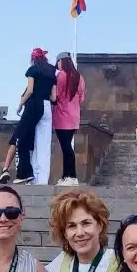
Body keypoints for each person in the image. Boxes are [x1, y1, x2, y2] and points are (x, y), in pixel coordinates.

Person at [0, 48, 57, 186]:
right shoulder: (51, 72)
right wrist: (44, 95)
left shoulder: (33, 70)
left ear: (33, 59)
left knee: (21, 137)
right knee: (37, 142)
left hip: (33, 104)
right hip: (46, 106)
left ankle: (24, 173)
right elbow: (54, 97)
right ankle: (35, 176)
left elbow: (30, 90)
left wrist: (20, 104)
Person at [53, 52, 86, 187]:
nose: (57, 65)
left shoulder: (61, 75)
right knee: (66, 146)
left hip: (62, 116)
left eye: (58, 62)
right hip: (74, 116)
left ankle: (71, 176)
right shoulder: (79, 77)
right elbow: (81, 98)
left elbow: (56, 95)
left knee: (66, 147)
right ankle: (66, 176)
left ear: (62, 61)